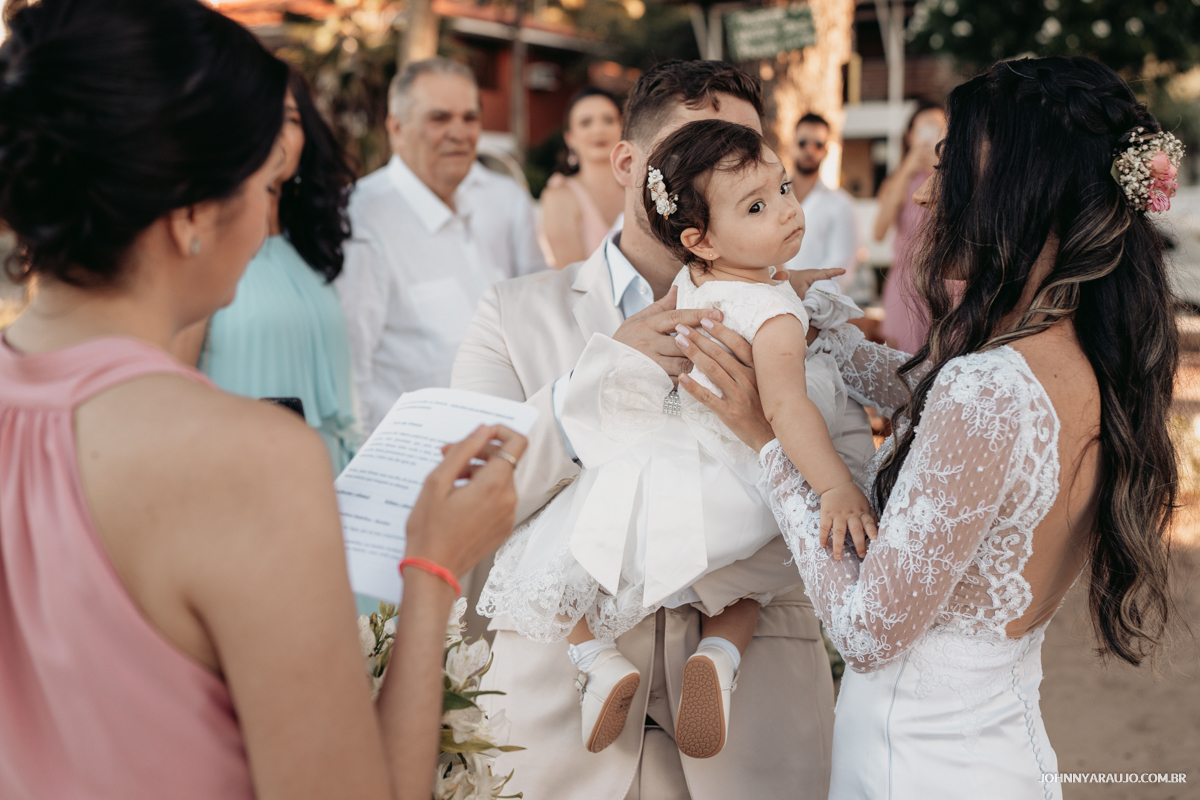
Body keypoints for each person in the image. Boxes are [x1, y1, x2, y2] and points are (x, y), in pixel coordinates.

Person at [0, 2, 526, 799]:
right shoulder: (249, 458)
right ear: (191, 213)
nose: (270, 211)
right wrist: (430, 568)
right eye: (264, 181)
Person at [676, 56, 1180, 799]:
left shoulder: (987, 391)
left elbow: (869, 632)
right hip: (996, 748)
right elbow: (923, 393)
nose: (924, 192)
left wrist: (768, 442)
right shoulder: (1082, 355)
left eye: (949, 167)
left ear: (1019, 192)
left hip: (916, 767)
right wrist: (805, 318)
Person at [452, 59, 876, 800]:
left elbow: (848, 520)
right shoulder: (512, 314)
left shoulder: (802, 316)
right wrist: (598, 383)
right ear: (626, 162)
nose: (721, 163)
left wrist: (760, 429)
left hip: (753, 742)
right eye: (696, 143)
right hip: (559, 739)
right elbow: (468, 512)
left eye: (743, 150)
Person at [337, 58, 547, 435]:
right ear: (397, 128)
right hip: (413, 471)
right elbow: (350, 373)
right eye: (439, 118)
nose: (460, 132)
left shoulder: (489, 204)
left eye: (470, 118)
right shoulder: (362, 219)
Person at [174, 68, 361, 473]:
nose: (277, 131)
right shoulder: (202, 246)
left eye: (292, 119)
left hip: (328, 482)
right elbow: (170, 388)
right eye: (262, 114)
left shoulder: (308, 249)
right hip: (238, 481)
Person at [873, 100, 945, 353]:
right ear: (910, 135)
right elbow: (879, 232)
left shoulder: (956, 179)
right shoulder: (898, 180)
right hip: (905, 286)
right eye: (923, 130)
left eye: (938, 129)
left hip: (945, 285)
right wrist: (907, 169)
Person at [541, 87, 625, 266]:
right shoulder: (560, 196)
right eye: (586, 123)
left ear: (622, 127)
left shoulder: (642, 187)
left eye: (608, 120)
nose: (598, 129)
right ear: (570, 137)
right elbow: (573, 279)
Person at [782, 113, 860, 289]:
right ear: (791, 145)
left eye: (818, 144)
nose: (809, 150)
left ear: (825, 150)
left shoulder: (842, 205)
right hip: (770, 301)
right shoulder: (772, 199)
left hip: (818, 307)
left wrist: (801, 291)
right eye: (802, 143)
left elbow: (840, 267)